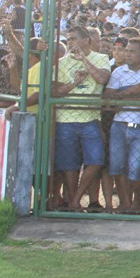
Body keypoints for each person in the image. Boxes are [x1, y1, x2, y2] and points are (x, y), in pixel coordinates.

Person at [53, 26, 111, 210]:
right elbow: (56, 90)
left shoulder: (101, 58)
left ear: (86, 40)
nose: (69, 42)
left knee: (96, 160)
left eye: (73, 39)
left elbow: (102, 79)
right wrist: (75, 82)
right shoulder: (61, 62)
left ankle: (75, 198)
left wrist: (84, 60)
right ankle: (74, 201)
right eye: (68, 39)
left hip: (91, 118)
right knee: (69, 163)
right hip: (65, 118)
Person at [104, 38, 140, 212]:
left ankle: (138, 204)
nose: (127, 54)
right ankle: (125, 204)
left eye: (132, 51)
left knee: (136, 167)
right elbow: (108, 98)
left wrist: (121, 97)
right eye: (126, 51)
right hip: (119, 124)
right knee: (117, 166)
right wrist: (133, 91)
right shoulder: (119, 71)